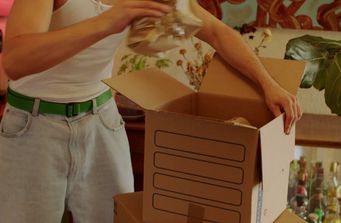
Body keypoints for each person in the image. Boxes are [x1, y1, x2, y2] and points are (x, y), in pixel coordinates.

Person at [1, 0, 302, 222]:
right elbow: (15, 60)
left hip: (101, 122)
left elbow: (217, 33)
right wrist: (111, 20)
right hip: (33, 126)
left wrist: (268, 83)